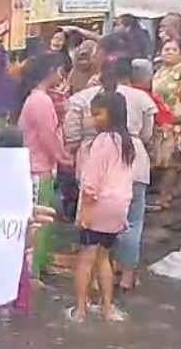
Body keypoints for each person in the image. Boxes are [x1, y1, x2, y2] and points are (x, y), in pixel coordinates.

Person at [63, 38, 157, 293]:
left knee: (92, 238)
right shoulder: (143, 98)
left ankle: (91, 285)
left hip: (96, 169)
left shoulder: (87, 98)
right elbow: (148, 135)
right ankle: (127, 275)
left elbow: (71, 135)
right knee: (133, 222)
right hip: (134, 159)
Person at [71, 88, 135, 322]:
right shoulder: (128, 143)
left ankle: (80, 309)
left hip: (97, 204)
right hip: (119, 206)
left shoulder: (101, 142)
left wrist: (84, 213)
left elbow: (91, 181)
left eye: (97, 114)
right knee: (105, 257)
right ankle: (108, 308)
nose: (93, 119)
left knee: (86, 258)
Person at [17, 52, 69, 282]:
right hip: (37, 168)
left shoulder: (39, 98)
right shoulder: (41, 100)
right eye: (59, 70)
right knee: (39, 223)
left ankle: (41, 265)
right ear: (50, 71)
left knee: (45, 221)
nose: (62, 75)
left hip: (40, 166)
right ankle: (32, 274)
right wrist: (64, 157)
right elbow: (47, 136)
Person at [149, 38, 181, 211]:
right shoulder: (160, 72)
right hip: (162, 120)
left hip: (179, 120)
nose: (169, 52)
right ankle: (172, 192)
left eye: (173, 49)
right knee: (163, 160)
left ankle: (163, 197)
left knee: (173, 161)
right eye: (166, 49)